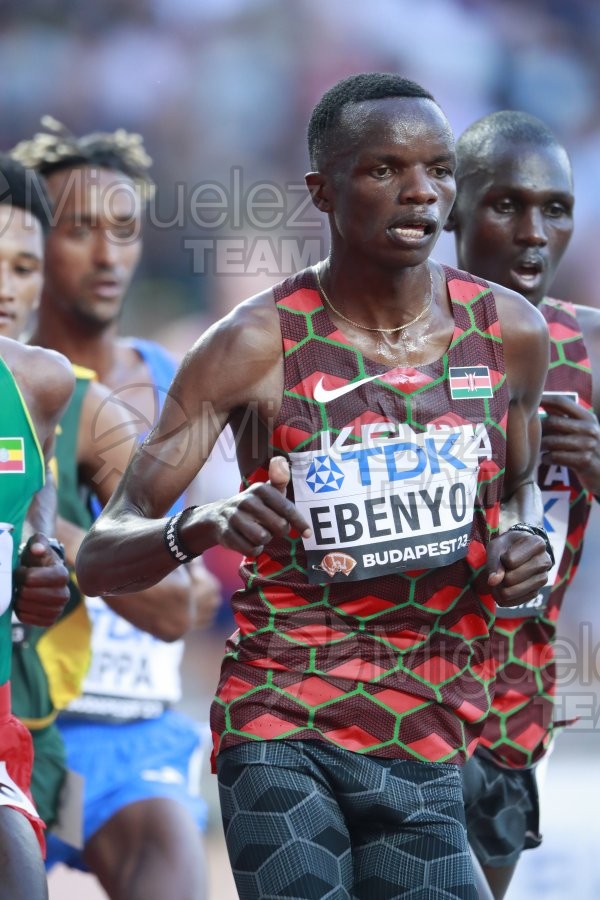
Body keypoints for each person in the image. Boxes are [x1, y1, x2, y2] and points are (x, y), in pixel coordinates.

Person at [76, 73, 553, 899]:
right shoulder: (252, 344)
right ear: (321, 191)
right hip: (282, 718)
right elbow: (99, 553)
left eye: (438, 169)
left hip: (427, 734)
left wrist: (528, 541)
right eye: (383, 170)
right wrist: (201, 526)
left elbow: (520, 495)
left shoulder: (509, 333)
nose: (420, 193)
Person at [12, 121, 220, 900]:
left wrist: (49, 542)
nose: (107, 257)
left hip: (131, 722)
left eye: (125, 231)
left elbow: (188, 592)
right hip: (27, 714)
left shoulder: (176, 380)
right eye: (79, 231)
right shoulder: (16, 380)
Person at [448, 110, 600, 899]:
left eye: (555, 208)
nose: (534, 231)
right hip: (380, 694)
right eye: (507, 204)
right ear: (453, 209)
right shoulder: (390, 344)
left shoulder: (591, 353)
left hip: (509, 707)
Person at [0, 156, 75, 900]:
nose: (4, 288)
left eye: (23, 266)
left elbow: (38, 477)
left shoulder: (37, 382)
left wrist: (40, 546)